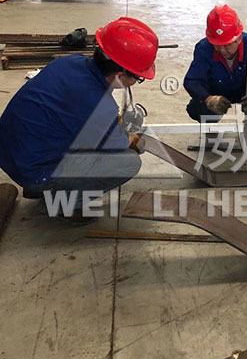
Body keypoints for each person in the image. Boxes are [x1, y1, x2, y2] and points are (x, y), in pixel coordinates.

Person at [0, 17, 158, 220]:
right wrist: (135, 141)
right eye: (138, 77)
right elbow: (118, 145)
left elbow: (78, 109)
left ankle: (45, 186)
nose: (136, 80)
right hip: (32, 169)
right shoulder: (96, 104)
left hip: (11, 154)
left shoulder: (70, 62)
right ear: (120, 75)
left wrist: (111, 121)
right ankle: (61, 203)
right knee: (129, 162)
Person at [184, 5, 247, 147]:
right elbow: (192, 81)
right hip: (216, 92)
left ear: (239, 38)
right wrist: (208, 99)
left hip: (244, 92)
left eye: (227, 45)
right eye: (217, 45)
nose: (222, 50)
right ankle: (210, 125)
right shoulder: (203, 48)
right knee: (197, 107)